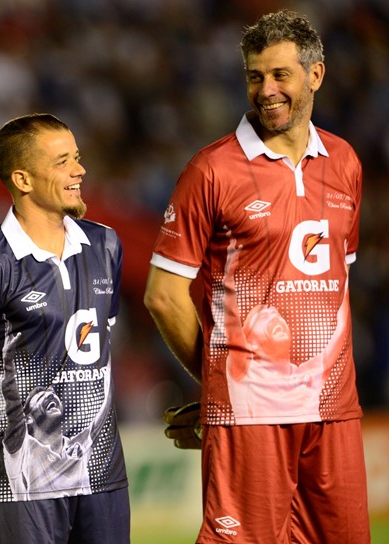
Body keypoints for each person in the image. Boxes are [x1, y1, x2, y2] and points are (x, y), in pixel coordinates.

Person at [143, 9, 370, 543]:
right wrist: (220, 384)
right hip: (250, 415)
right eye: (254, 76)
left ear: (315, 75)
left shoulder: (345, 162)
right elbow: (163, 296)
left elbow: (337, 284)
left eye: (279, 75)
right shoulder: (212, 170)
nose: (266, 90)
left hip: (334, 408)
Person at [0, 113, 129, 543]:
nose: (79, 170)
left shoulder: (105, 245)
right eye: (63, 162)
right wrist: (4, 441)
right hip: (25, 487)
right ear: (23, 180)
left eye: (77, 158)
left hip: (102, 475)